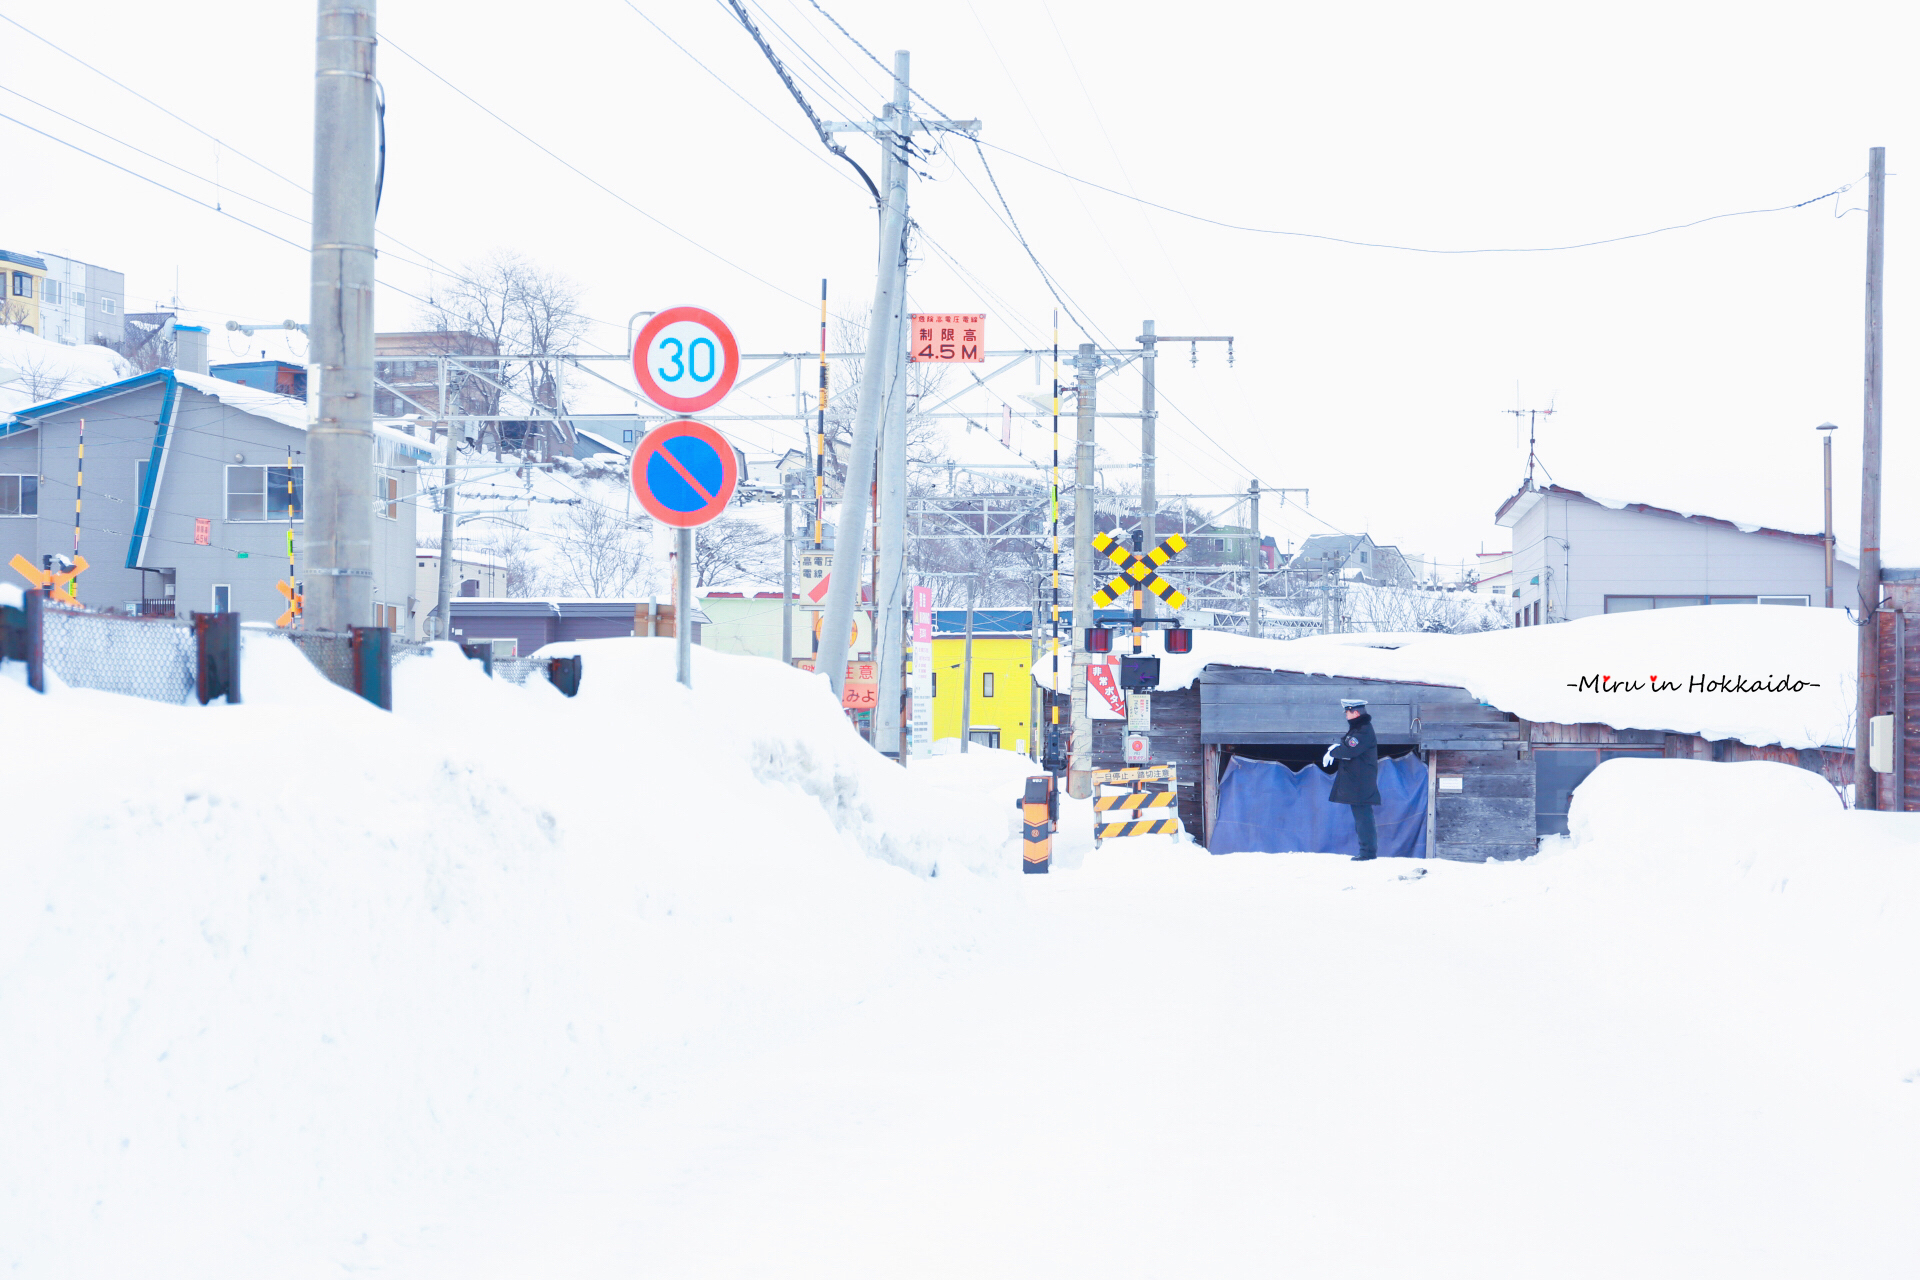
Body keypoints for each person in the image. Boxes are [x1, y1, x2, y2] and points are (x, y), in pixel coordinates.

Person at [1323, 698, 1382, 860]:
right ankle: (1366, 851)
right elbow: (1349, 747)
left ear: (1355, 712)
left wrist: (1334, 752)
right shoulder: (1359, 729)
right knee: (1361, 817)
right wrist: (1338, 749)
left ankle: (1367, 853)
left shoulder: (1363, 730)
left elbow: (1350, 750)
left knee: (1363, 818)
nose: (1346, 715)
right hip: (1358, 781)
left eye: (1347, 712)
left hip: (1361, 782)